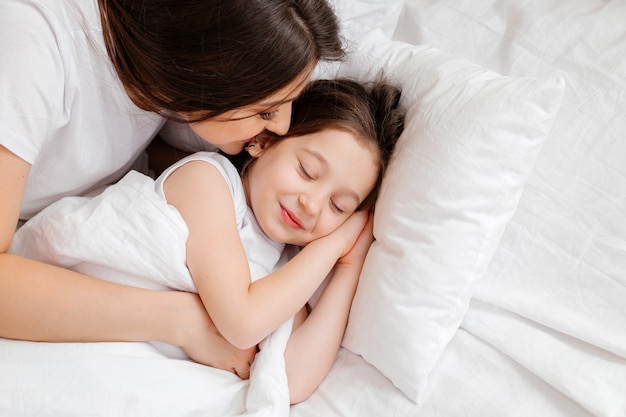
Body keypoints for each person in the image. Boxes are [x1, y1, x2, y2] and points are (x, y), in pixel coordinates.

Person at [0, 0, 344, 375]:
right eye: (266, 109)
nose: (281, 127)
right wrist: (180, 320)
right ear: (205, 70)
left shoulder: (162, 67)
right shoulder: (32, 45)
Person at [10, 79, 405, 403]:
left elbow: (291, 379)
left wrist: (349, 267)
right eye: (306, 170)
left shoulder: (289, 267)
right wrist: (330, 246)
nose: (312, 205)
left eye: (338, 207)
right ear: (263, 142)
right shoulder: (209, 181)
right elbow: (242, 322)